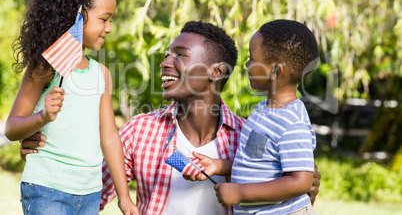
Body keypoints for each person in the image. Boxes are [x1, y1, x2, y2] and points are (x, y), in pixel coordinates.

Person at [20, 21, 321, 215]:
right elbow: (87, 192)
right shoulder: (139, 132)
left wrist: (305, 183)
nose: (165, 63)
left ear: (216, 72)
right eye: (167, 54)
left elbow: (293, 181)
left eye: (181, 55)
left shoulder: (246, 134)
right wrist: (49, 153)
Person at [5, 0, 138, 215]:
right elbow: (12, 128)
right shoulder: (45, 67)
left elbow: (109, 136)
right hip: (46, 188)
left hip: (90, 193)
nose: (109, 28)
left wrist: (124, 196)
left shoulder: (102, 75)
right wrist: (42, 117)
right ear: (77, 17)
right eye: (104, 19)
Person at [185, 19, 319, 214]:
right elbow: (256, 163)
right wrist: (218, 165)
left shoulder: (292, 122)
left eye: (252, 58)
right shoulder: (262, 110)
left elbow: (301, 182)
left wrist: (240, 192)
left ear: (275, 70)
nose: (246, 64)